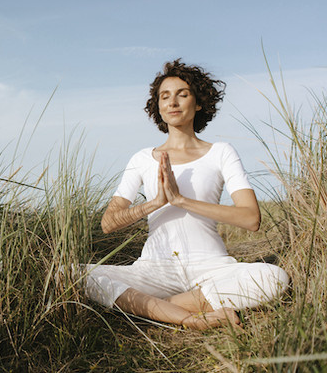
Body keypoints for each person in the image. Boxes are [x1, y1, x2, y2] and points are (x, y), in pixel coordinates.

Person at [84, 59, 289, 330]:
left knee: (274, 277)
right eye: (165, 96)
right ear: (158, 106)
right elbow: (108, 224)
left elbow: (250, 219)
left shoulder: (221, 152)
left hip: (211, 267)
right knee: (73, 275)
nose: (173, 102)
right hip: (154, 270)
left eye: (183, 94)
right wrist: (155, 203)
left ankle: (153, 307)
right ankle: (191, 318)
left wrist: (182, 201)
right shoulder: (143, 158)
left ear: (199, 102)